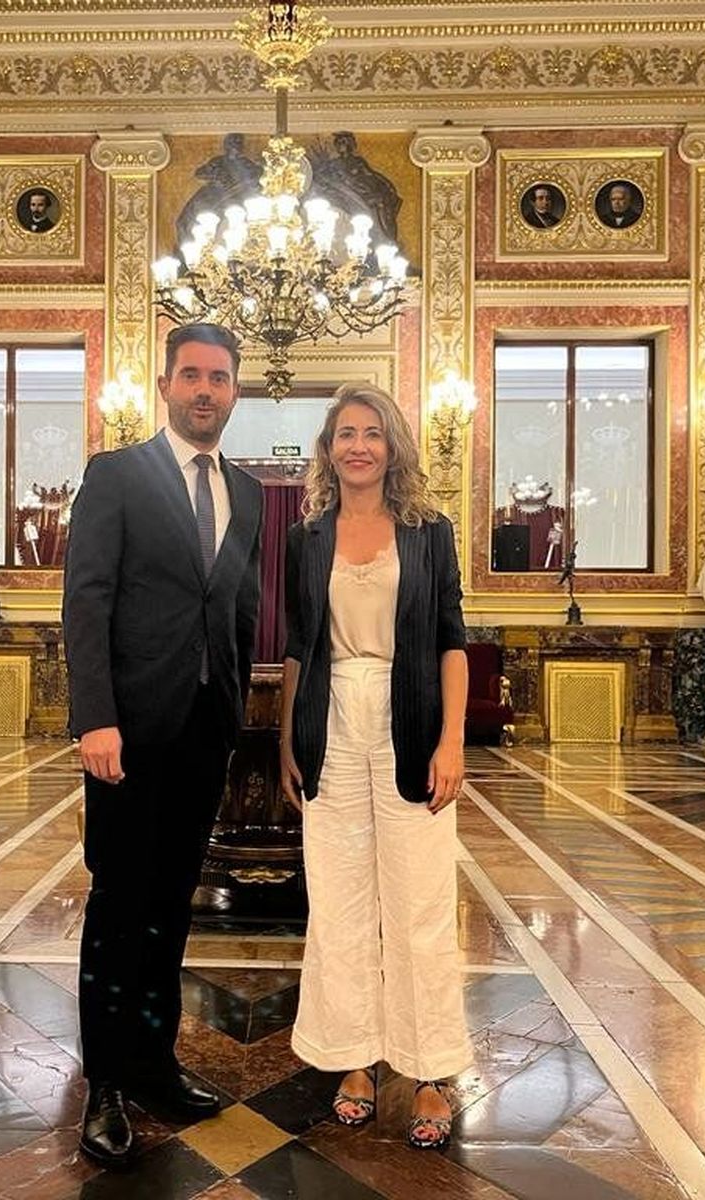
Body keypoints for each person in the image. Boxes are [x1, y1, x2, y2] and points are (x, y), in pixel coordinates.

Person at [63, 322, 264, 1168]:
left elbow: (239, 609)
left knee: (171, 906)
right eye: (192, 376)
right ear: (166, 384)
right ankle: (106, 1081)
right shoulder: (117, 475)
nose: (205, 390)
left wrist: (237, 711)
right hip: (129, 732)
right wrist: (94, 717)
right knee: (119, 905)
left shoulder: (248, 492)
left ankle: (153, 1063)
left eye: (219, 378)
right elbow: (87, 600)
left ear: (235, 391)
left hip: (202, 730)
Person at [279, 382, 472, 1151]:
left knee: (421, 903)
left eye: (372, 433)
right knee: (338, 900)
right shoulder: (309, 536)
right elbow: (300, 645)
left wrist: (452, 739)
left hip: (411, 717)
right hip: (331, 721)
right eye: (344, 434)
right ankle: (352, 1058)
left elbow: (452, 638)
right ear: (328, 449)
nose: (358, 445)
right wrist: (290, 739)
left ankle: (428, 1069)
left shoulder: (430, 530)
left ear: (392, 445)